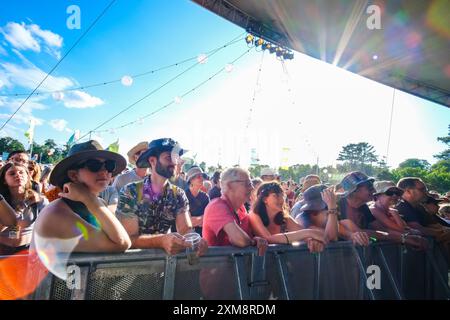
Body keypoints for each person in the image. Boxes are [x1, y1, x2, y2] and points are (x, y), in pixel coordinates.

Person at [32, 140, 131, 253]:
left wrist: (91, 200)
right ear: (73, 175)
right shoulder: (56, 213)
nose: (104, 171)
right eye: (94, 165)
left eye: (109, 165)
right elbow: (122, 243)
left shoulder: (99, 203)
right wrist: (90, 199)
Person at [116, 138, 208, 256]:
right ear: (153, 161)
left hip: (165, 268)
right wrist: (161, 241)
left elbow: (186, 230)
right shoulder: (130, 192)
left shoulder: (178, 194)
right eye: (168, 157)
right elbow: (128, 238)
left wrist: (197, 240)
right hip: (133, 268)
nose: (174, 162)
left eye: (175, 158)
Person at [338, 172, 427, 249]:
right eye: (369, 187)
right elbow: (361, 232)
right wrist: (402, 238)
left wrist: (405, 237)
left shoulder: (363, 207)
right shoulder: (337, 205)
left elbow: (381, 230)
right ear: (354, 190)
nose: (374, 190)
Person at [202, 167, 268, 253]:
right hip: (217, 265)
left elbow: (246, 238)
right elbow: (240, 240)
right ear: (230, 185)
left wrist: (255, 239)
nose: (252, 188)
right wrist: (253, 242)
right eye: (247, 184)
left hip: (235, 265)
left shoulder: (241, 209)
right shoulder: (216, 206)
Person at [249, 182, 326, 253]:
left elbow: (303, 233)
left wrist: (311, 240)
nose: (281, 199)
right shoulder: (254, 215)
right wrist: (308, 233)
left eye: (282, 195)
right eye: (276, 195)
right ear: (264, 199)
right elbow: (269, 239)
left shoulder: (285, 219)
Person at [0, 162, 47, 255]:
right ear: (4, 180)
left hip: (26, 251)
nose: (18, 175)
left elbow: (47, 229)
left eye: (21, 172)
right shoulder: (1, 201)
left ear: (28, 177)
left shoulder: (39, 201)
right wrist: (20, 208)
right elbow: (13, 226)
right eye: (12, 173)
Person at [185, 167, 210, 235]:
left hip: (201, 234)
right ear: (191, 180)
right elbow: (184, 222)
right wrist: (201, 219)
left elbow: (208, 218)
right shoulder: (183, 196)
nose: (202, 179)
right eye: (199, 176)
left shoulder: (205, 197)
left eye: (202, 176)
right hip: (186, 235)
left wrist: (193, 220)